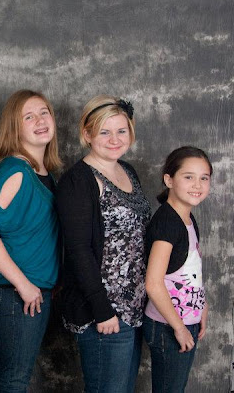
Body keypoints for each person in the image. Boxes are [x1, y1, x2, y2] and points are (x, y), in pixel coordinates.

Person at [56, 95, 151, 393]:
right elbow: (78, 251)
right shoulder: (78, 181)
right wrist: (102, 309)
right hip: (104, 309)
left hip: (134, 306)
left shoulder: (128, 171)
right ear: (87, 134)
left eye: (121, 131)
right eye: (104, 132)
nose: (114, 139)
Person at [0, 90, 62, 392]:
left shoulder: (43, 172)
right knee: (14, 380)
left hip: (33, 290)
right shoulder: (16, 171)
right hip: (15, 293)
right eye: (29, 117)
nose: (40, 120)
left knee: (17, 378)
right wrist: (23, 284)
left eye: (44, 112)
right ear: (15, 128)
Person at [143, 146, 212, 393]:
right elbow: (153, 283)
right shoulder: (167, 223)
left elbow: (189, 270)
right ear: (169, 180)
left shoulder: (187, 218)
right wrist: (179, 328)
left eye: (204, 178)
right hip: (168, 326)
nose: (197, 185)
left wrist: (202, 306)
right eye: (188, 177)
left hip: (183, 322)